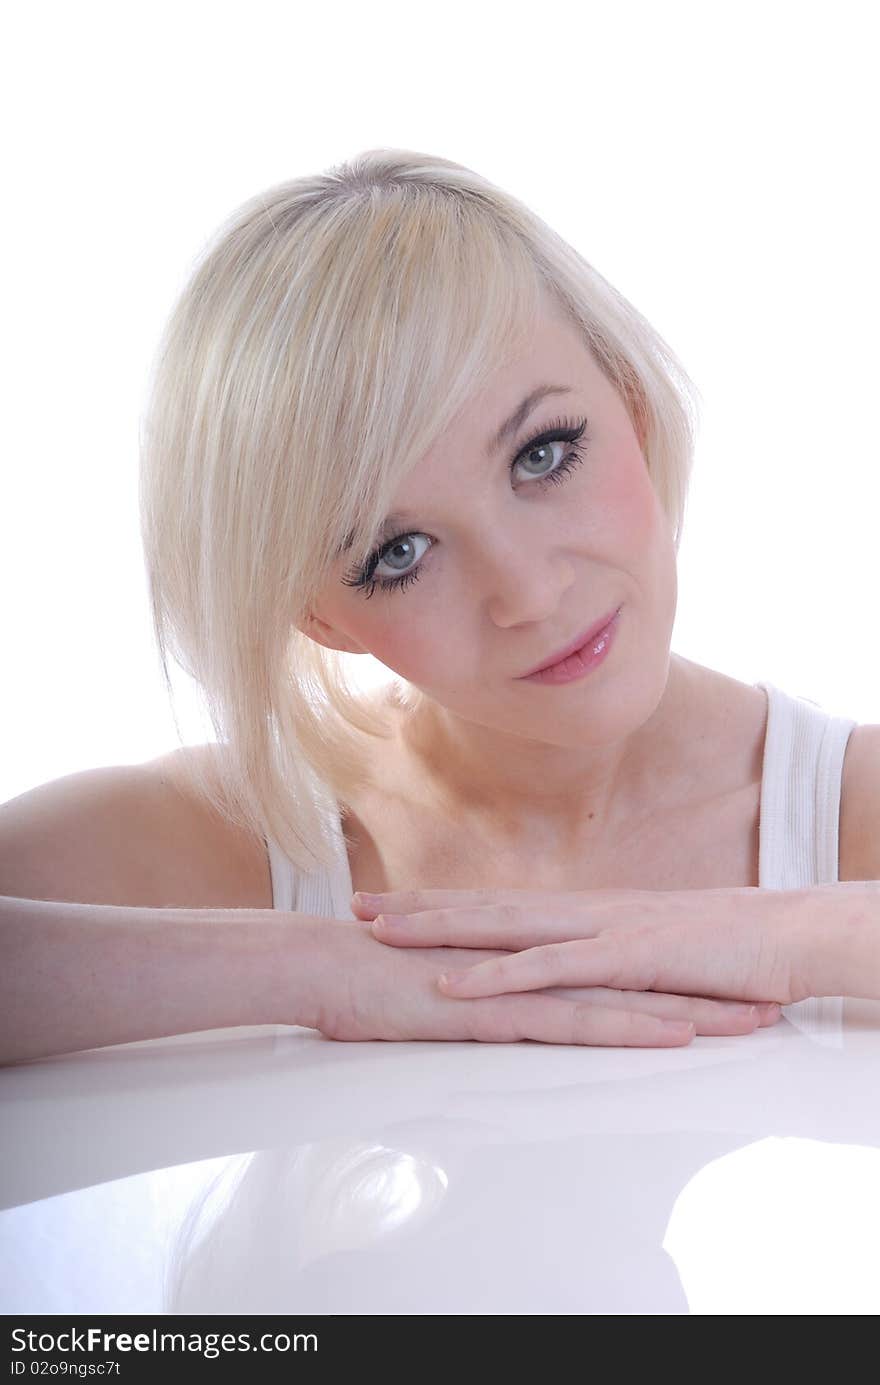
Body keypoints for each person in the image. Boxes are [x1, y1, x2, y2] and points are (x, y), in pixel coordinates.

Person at [2, 147, 879, 1068]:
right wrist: (319, 972)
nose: (530, 594)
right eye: (398, 553)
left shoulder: (845, 810)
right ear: (322, 618)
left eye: (543, 454)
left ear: (633, 406)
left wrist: (793, 936)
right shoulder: (250, 845)